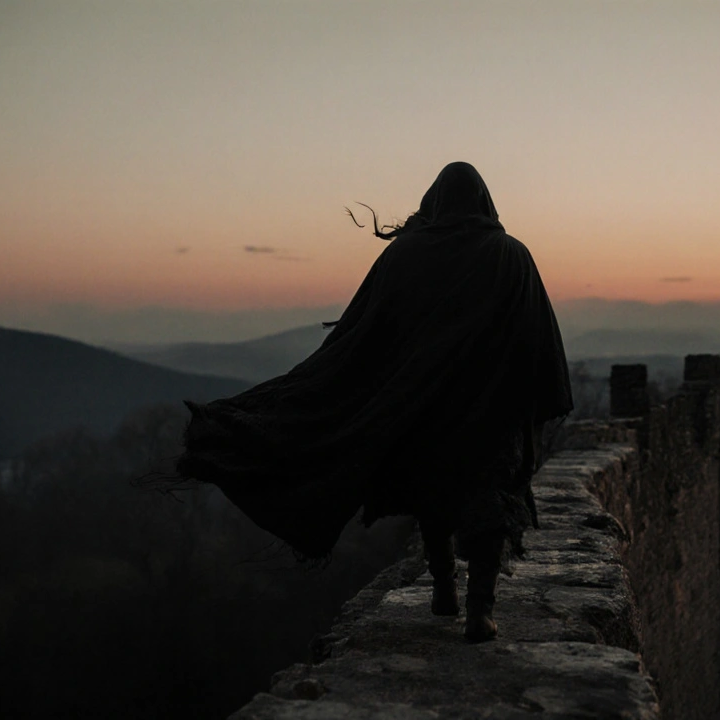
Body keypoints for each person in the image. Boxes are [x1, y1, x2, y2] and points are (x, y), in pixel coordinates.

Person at [176, 162, 572, 642]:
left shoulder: (404, 255)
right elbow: (536, 337)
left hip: (424, 407)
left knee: (434, 497)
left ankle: (444, 587)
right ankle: (480, 611)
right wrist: (533, 405)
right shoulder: (510, 254)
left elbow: (363, 333)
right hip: (489, 411)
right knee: (489, 502)